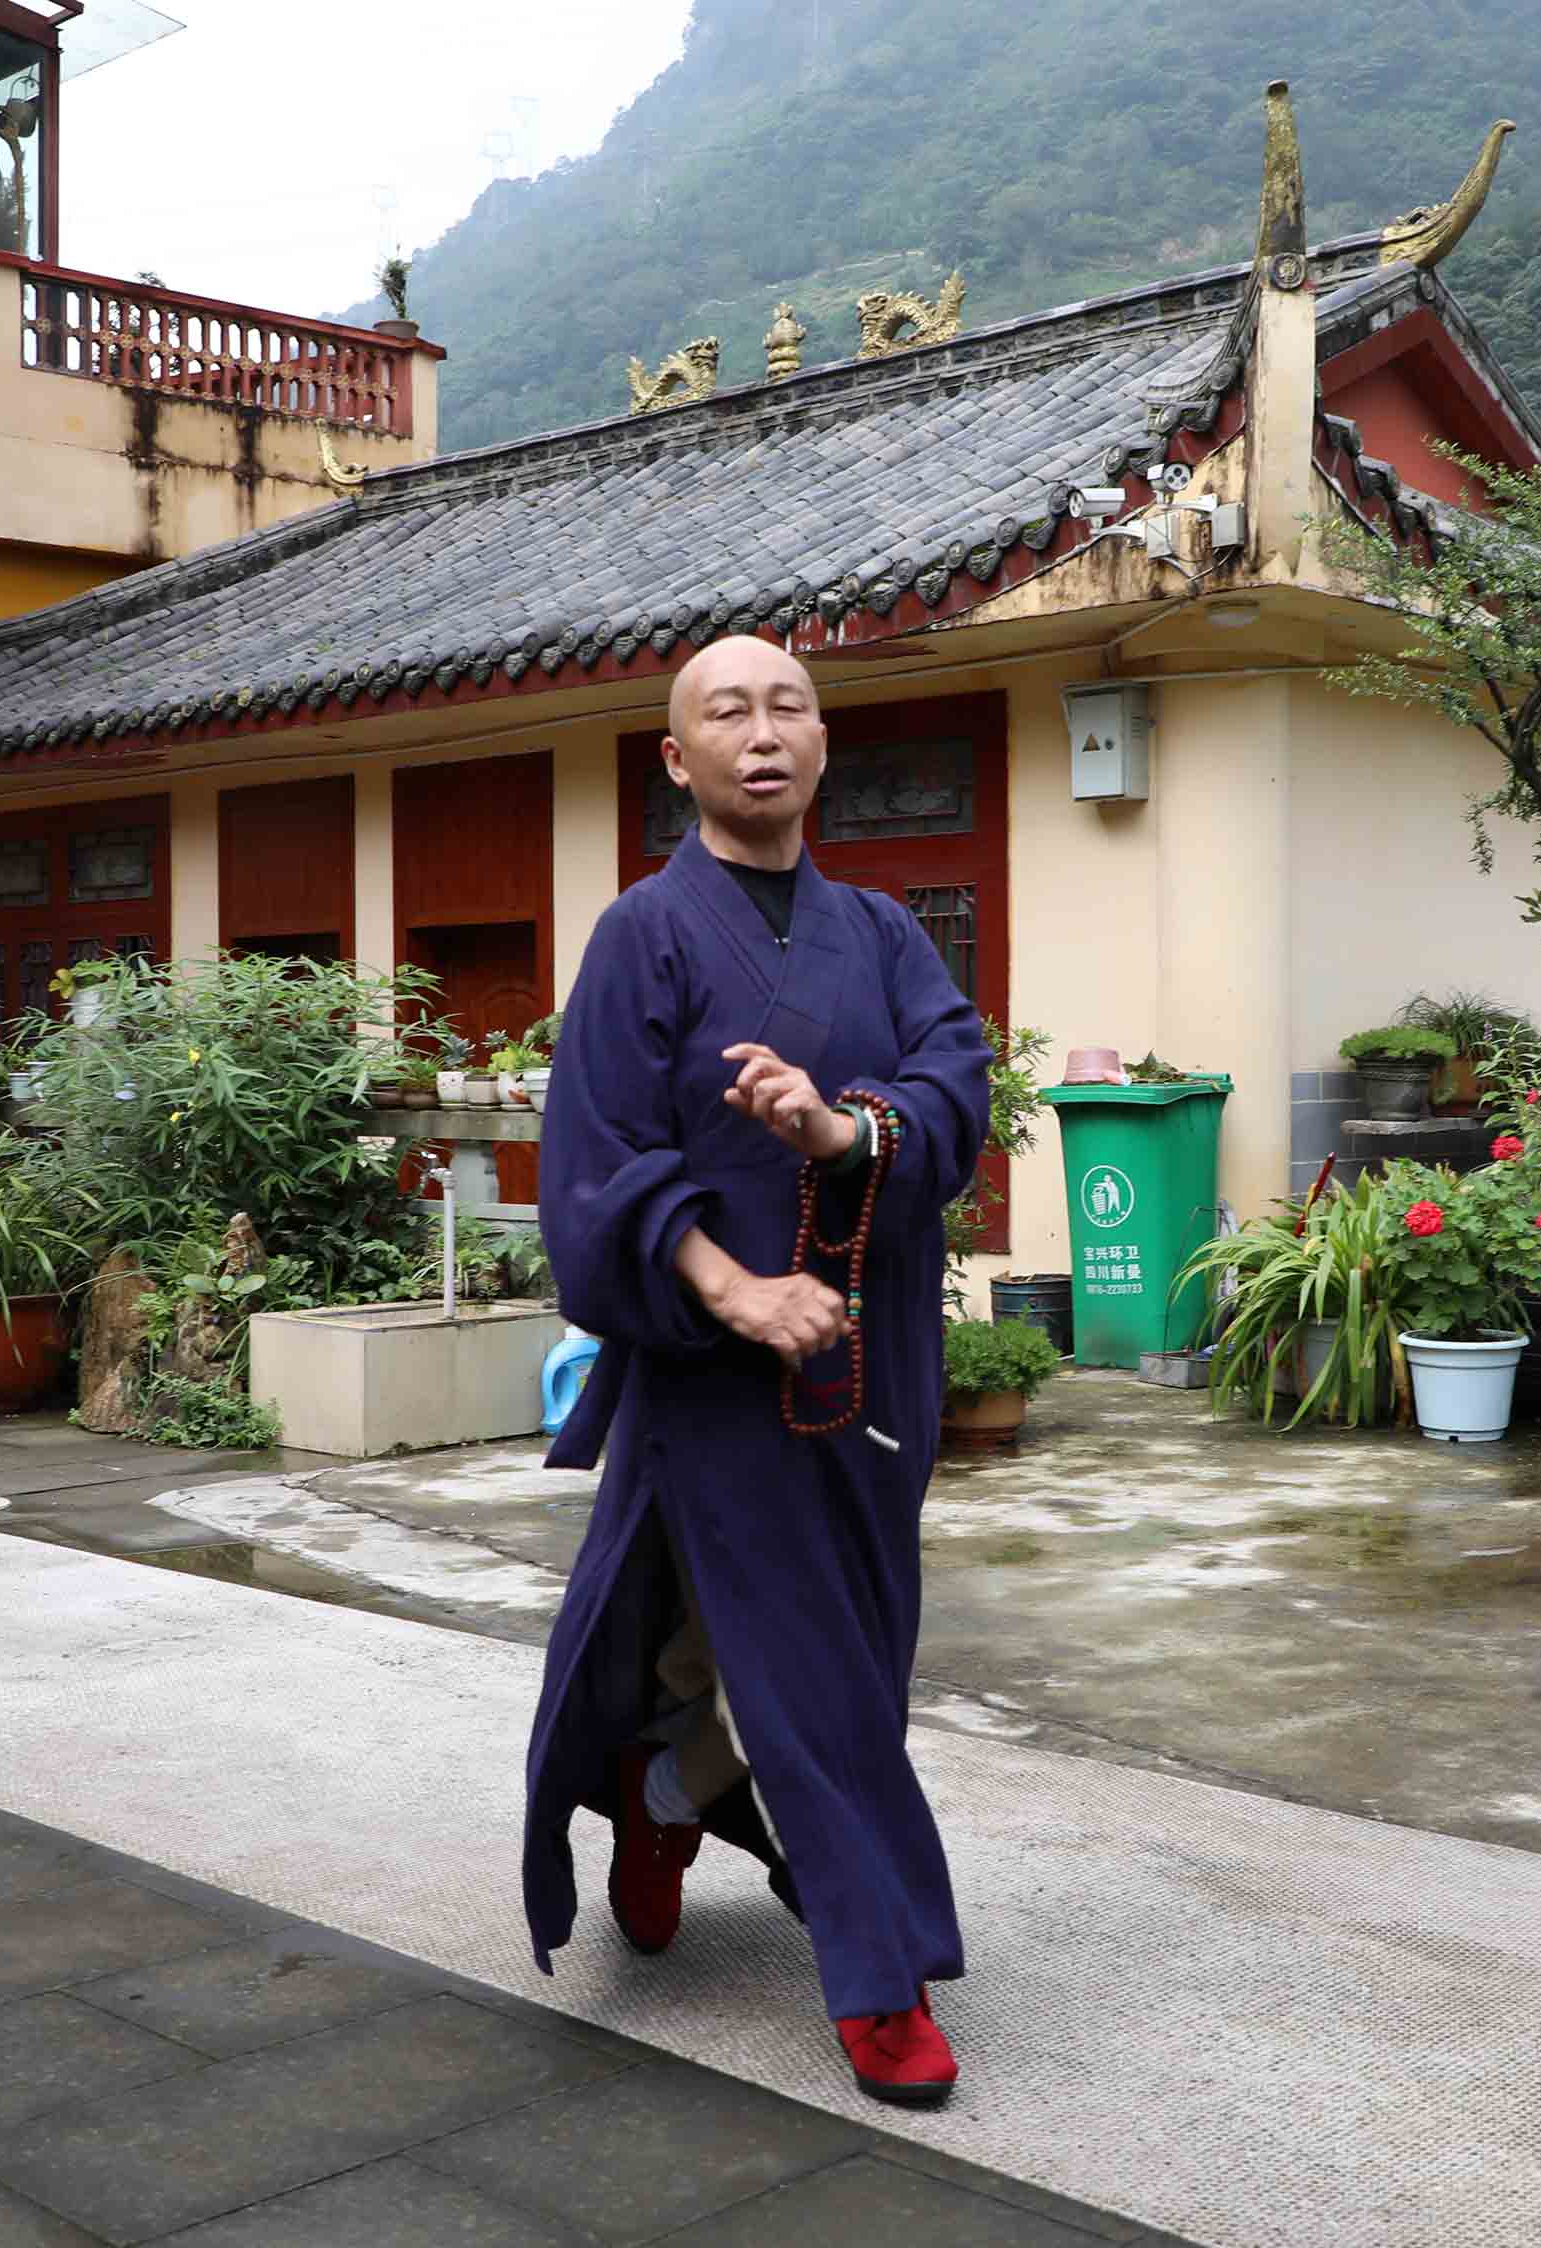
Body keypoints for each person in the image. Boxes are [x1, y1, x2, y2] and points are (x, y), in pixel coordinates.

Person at [519, 634, 992, 2106]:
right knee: (810, 1665)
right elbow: (597, 1165)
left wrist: (839, 1131)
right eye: (728, 712)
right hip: (714, 1379)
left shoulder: (885, 933)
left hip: (874, 1367)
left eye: (789, 706)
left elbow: (955, 1082)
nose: (763, 733)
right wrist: (737, 1290)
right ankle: (882, 1975)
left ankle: (663, 1790)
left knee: (853, 1648)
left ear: (824, 744)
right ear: (679, 760)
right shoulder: (643, 936)